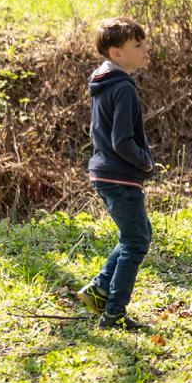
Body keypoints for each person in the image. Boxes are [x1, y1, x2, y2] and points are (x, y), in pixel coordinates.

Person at [78, 17, 156, 332]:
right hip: (120, 174)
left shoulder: (104, 82)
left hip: (104, 172)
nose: (145, 48)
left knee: (135, 236)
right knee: (137, 241)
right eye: (137, 45)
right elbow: (121, 140)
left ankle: (99, 288)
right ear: (116, 53)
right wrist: (146, 162)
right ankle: (113, 312)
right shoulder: (122, 87)